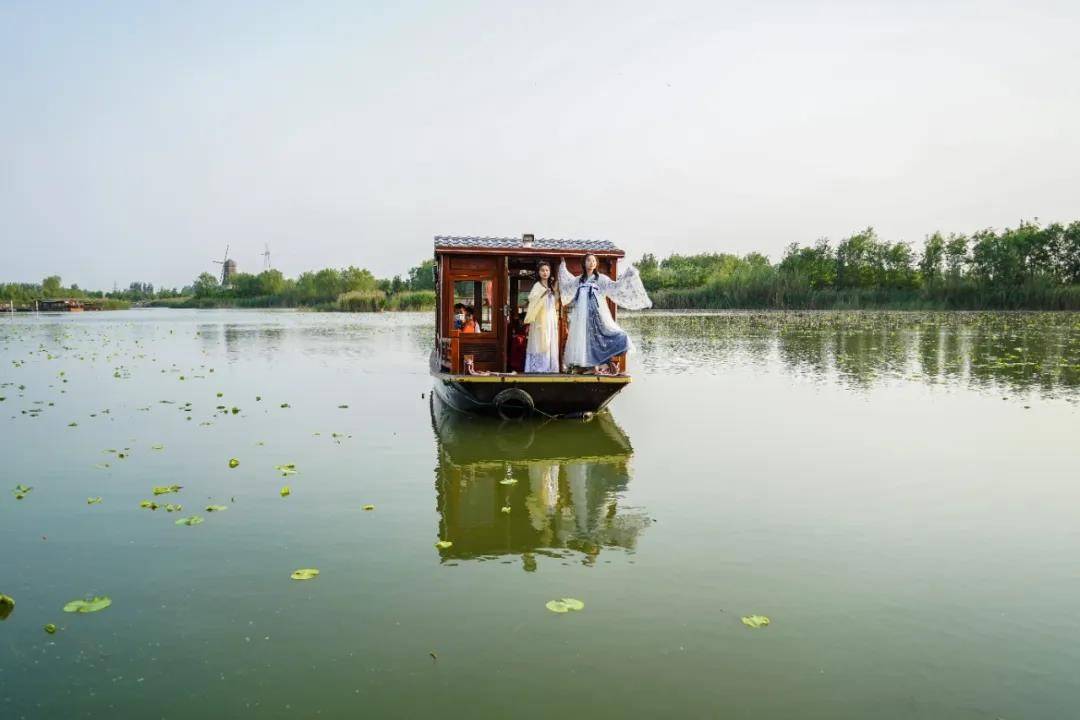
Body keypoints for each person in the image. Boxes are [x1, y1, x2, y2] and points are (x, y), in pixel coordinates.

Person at [558, 253, 651, 374]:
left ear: (596, 263)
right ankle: (592, 367)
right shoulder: (579, 280)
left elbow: (615, 287)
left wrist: (628, 276)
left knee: (610, 336)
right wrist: (562, 267)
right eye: (588, 261)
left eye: (593, 261)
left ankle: (607, 361)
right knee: (587, 340)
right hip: (582, 318)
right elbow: (567, 284)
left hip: (597, 315)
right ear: (584, 263)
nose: (591, 263)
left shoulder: (601, 279)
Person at [523, 261, 560, 373]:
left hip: (550, 319)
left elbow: (555, 303)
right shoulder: (537, 286)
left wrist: (554, 291)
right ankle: (539, 368)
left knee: (550, 341)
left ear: (550, 272)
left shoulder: (551, 287)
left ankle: (550, 367)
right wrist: (544, 294)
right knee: (540, 341)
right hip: (540, 320)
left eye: (547, 270)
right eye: (542, 270)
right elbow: (532, 299)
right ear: (538, 272)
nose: (545, 272)